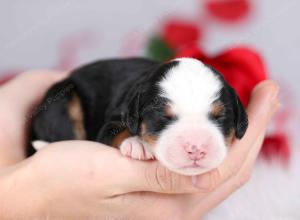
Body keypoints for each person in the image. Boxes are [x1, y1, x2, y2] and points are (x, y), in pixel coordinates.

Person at [0, 70, 279, 220]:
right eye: (166, 121)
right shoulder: (135, 105)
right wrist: (27, 191)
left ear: (239, 119)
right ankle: (49, 145)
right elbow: (110, 129)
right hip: (76, 99)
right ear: (137, 118)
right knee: (59, 105)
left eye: (218, 121)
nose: (196, 146)